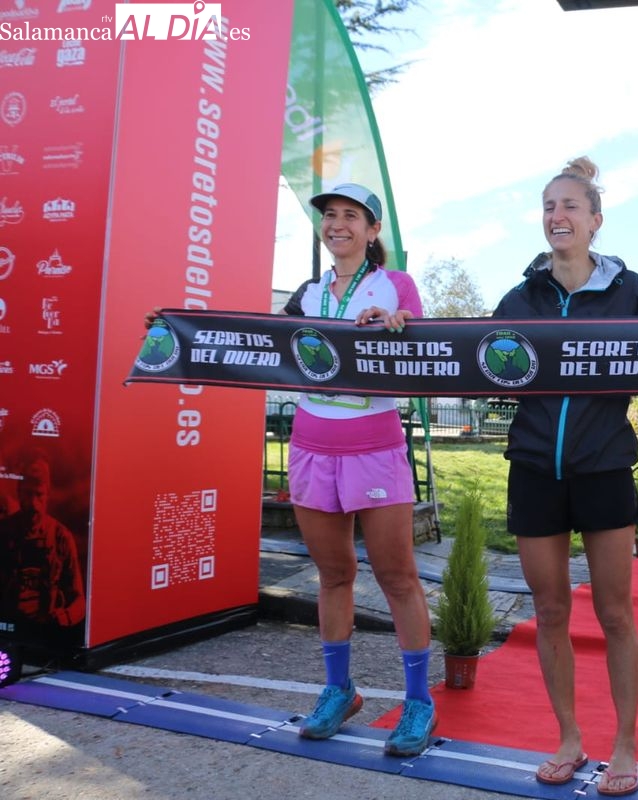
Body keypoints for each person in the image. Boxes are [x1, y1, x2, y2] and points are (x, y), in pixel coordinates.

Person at [145, 183, 434, 756]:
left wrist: (399, 321)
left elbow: (424, 348)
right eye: (329, 215)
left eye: (351, 216)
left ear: (373, 231)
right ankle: (338, 690)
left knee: (397, 576)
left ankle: (419, 700)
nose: (337, 224)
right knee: (333, 575)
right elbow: (257, 342)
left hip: (374, 449)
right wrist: (180, 329)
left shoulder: (394, 284)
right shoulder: (307, 292)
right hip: (310, 448)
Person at [492, 157, 638, 797]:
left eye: (569, 207)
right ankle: (568, 736)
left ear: (595, 220)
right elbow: (468, 355)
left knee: (616, 613)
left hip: (604, 468)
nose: (556, 217)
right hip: (533, 469)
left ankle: (625, 744)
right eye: (548, 207)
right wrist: (399, 330)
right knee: (551, 609)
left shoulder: (629, 291)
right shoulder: (521, 296)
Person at [0, 453, 85, 637]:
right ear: (19, 492)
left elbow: (79, 601)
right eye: (28, 493)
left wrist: (62, 618)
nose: (33, 503)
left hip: (46, 632)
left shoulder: (61, 537)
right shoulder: (4, 532)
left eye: (39, 494)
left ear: (47, 495)